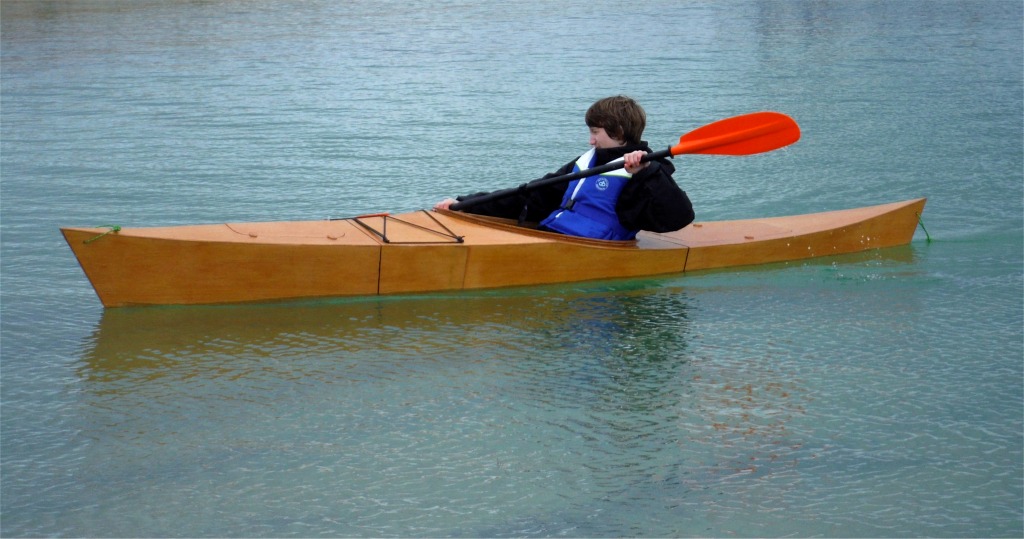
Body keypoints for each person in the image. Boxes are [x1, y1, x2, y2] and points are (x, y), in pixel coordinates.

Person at [434, 95, 694, 241]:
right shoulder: (586, 162)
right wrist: (464, 205)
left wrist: (647, 173)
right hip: (554, 236)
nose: (590, 140)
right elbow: (532, 196)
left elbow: (679, 217)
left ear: (619, 132)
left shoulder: (649, 170)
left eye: (595, 132)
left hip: (595, 251)